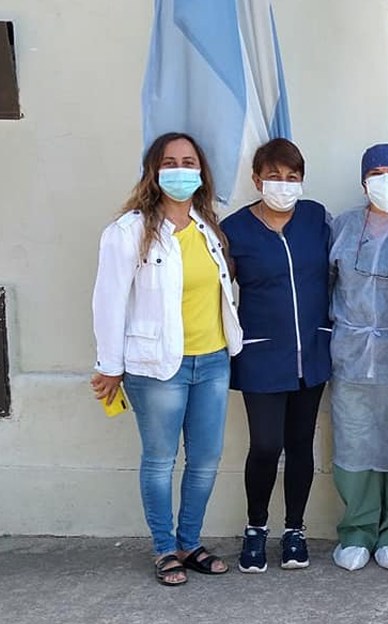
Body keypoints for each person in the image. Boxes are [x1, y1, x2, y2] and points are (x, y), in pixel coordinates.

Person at [91, 132, 242, 586]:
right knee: (159, 460)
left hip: (212, 360)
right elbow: (108, 302)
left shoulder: (207, 227)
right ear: (153, 172)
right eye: (170, 162)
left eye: (188, 162)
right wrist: (109, 366)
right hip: (158, 366)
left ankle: (189, 542)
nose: (180, 170)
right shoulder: (129, 231)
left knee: (206, 459)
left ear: (201, 172)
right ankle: (164, 548)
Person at [220, 138, 332, 573]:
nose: (283, 185)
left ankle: (295, 530)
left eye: (292, 177)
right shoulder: (234, 229)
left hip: (313, 352)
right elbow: (217, 290)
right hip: (262, 356)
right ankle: (256, 528)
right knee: (266, 444)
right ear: (256, 179)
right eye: (273, 176)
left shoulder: (316, 218)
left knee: (301, 444)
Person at [328, 144, 388, 572]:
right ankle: (357, 530)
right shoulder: (343, 226)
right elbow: (326, 285)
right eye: (376, 173)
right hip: (349, 356)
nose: (385, 181)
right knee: (353, 443)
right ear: (364, 180)